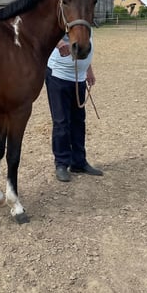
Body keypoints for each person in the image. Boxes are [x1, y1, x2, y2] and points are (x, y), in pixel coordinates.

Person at [45, 33, 103, 182]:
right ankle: (62, 164)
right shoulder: (64, 13)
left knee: (79, 121)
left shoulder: (84, 18)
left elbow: (84, 43)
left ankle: (79, 162)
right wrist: (58, 42)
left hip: (79, 76)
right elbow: (45, 31)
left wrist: (88, 70)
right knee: (61, 122)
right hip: (59, 75)